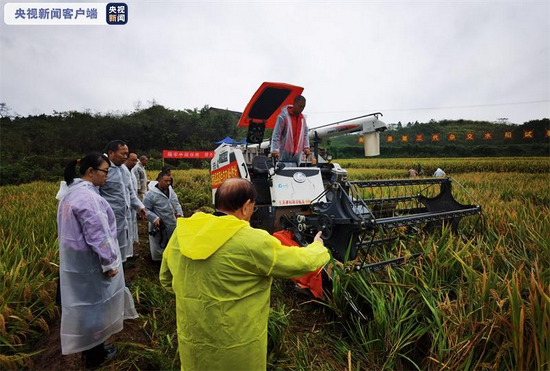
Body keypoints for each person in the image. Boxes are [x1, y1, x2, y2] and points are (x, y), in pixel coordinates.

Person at [159, 178, 329, 370]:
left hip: (194, 341)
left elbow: (166, 279)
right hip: (238, 345)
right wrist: (318, 248)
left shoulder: (182, 233)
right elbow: (299, 263)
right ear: (247, 206)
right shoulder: (251, 241)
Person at [56, 153, 138, 368]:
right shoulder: (88, 198)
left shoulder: (71, 193)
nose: (107, 176)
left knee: (83, 307)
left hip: (77, 262)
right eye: (105, 171)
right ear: (90, 172)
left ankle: (91, 351)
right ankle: (96, 356)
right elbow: (99, 234)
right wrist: (110, 263)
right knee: (95, 308)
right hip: (91, 263)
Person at [99, 140, 146, 264]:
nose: (125, 156)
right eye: (122, 154)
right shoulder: (102, 169)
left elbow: (130, 193)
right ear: (111, 153)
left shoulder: (124, 170)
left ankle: (121, 278)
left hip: (124, 217)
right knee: (108, 249)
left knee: (122, 247)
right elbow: (96, 194)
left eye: (127, 154)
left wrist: (140, 207)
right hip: (108, 217)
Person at [143, 171, 183, 261]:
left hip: (172, 222)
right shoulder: (151, 194)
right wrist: (155, 219)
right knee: (160, 244)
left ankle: (171, 261)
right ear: (159, 181)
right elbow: (145, 209)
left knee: (172, 244)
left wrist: (179, 214)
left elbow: (176, 203)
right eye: (166, 181)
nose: (168, 183)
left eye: (169, 181)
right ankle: (159, 263)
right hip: (159, 224)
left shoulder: (171, 191)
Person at [270, 95, 311, 166]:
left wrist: (306, 147)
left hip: (296, 156)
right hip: (283, 154)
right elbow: (276, 134)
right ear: (294, 104)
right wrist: (275, 149)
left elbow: (305, 134)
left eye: (303, 107)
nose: (301, 109)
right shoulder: (283, 117)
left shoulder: (302, 119)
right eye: (300, 106)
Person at [123, 152, 140, 258]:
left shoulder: (131, 172)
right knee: (125, 232)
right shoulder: (122, 172)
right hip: (125, 207)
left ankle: (130, 253)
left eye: (136, 160)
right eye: (132, 160)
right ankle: (126, 255)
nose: (134, 163)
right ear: (126, 159)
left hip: (132, 205)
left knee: (131, 228)